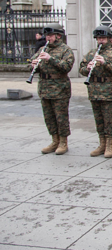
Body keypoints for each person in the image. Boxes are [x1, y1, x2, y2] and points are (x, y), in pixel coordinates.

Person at [78, 26, 112, 158]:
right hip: (94, 90)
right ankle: (101, 144)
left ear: (109, 39)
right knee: (98, 119)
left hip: (108, 90)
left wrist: (105, 63)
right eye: (98, 38)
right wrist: (87, 68)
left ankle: (109, 145)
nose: (101, 41)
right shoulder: (91, 53)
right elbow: (81, 69)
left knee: (109, 119)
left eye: (103, 38)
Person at [30, 23, 75, 155]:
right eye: (47, 35)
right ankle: (54, 140)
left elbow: (66, 67)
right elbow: (33, 62)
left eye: (50, 35)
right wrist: (33, 65)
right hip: (45, 87)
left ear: (58, 36)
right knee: (49, 117)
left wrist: (51, 59)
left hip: (60, 88)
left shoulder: (65, 50)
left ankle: (63, 142)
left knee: (61, 117)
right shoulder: (43, 49)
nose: (48, 38)